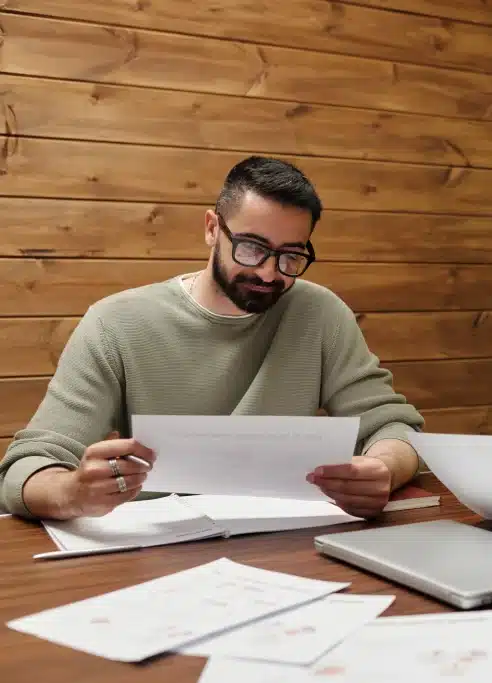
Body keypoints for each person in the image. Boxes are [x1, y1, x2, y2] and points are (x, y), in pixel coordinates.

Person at [0, 156, 424, 522]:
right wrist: (72, 492)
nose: (269, 273)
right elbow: (26, 468)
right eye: (252, 248)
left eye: (292, 255)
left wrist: (382, 468)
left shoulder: (319, 312)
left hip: (287, 539)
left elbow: (394, 426)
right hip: (157, 547)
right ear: (211, 228)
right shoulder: (117, 322)